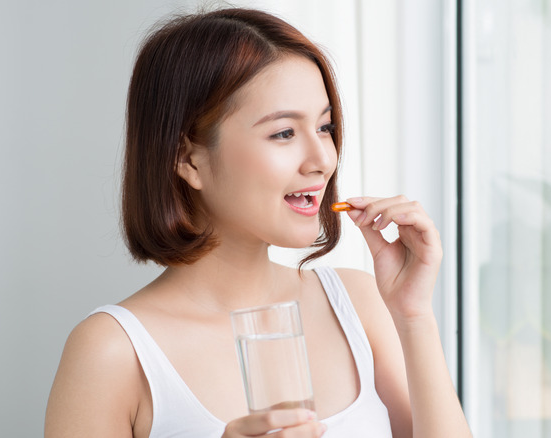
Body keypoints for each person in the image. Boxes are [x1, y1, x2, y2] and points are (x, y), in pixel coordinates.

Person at [44, 7, 472, 438]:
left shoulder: (359, 304)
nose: (324, 160)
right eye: (283, 133)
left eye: (325, 127)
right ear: (187, 158)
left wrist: (414, 315)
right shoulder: (111, 352)